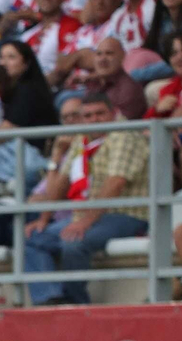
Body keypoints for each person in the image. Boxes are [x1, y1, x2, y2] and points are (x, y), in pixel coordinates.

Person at [22, 94, 150, 306]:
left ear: (113, 112)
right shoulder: (83, 138)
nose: (94, 120)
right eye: (88, 115)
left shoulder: (124, 134)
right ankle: (50, 299)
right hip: (92, 214)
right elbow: (63, 181)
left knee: (74, 241)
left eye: (100, 113)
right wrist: (44, 218)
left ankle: (76, 303)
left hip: (128, 213)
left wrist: (84, 222)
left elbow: (115, 183)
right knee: (34, 237)